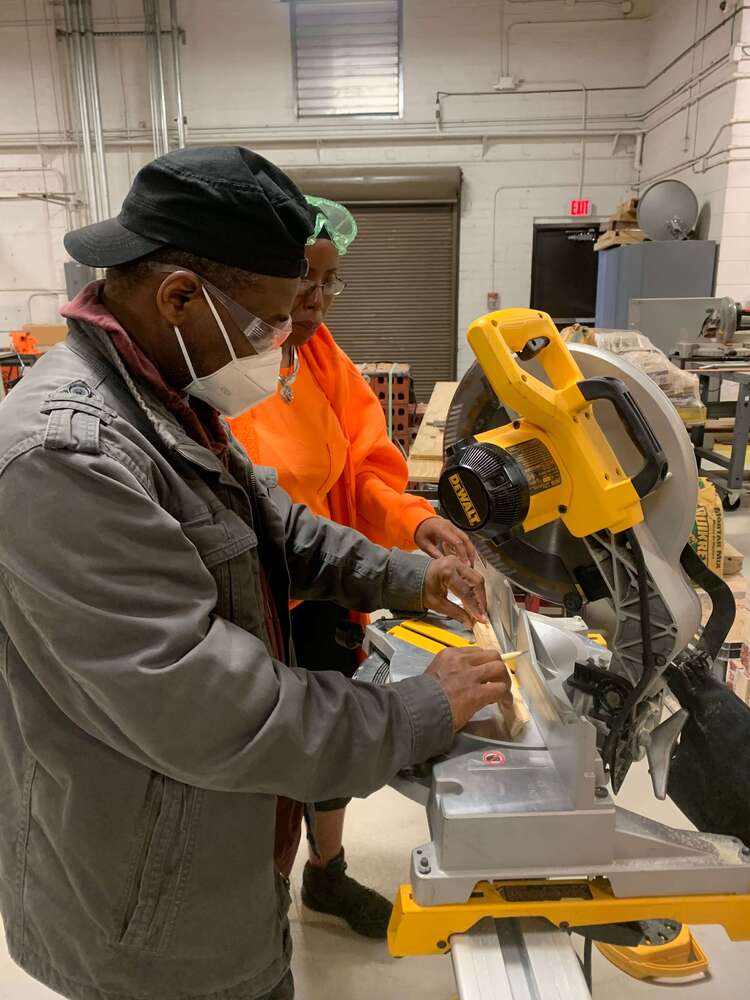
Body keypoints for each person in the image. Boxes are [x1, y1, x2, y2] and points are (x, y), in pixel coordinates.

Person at [0, 146, 510, 1000]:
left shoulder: (165, 388)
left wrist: (404, 575)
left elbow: (272, 525)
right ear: (178, 297)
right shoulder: (68, 457)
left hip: (213, 850)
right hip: (147, 904)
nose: (284, 342)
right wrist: (420, 708)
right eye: (269, 323)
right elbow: (210, 706)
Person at [229, 197, 473, 939]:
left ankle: (324, 875)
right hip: (251, 596)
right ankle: (253, 899)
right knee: (264, 757)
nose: (317, 301)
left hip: (327, 586)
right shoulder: (225, 368)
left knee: (333, 737)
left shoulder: (321, 356)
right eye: (305, 279)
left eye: (332, 283)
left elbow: (365, 471)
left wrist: (418, 523)